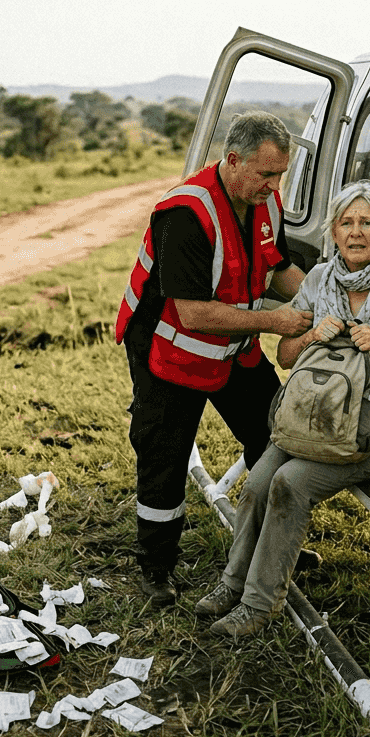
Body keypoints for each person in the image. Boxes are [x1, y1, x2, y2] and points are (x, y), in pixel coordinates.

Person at [195, 180, 370, 637]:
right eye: (346, 223)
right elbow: (286, 357)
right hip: (310, 426)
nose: (356, 232)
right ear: (332, 232)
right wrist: (312, 334)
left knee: (288, 484)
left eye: (366, 222)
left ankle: (258, 607)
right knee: (256, 484)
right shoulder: (319, 281)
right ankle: (232, 585)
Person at [115, 111, 313, 606]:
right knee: (165, 457)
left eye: (280, 174)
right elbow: (195, 313)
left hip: (234, 349)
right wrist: (276, 322)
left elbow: (278, 266)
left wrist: (321, 298)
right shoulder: (186, 213)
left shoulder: (264, 201)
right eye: (265, 174)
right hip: (169, 351)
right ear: (232, 160)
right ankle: (156, 568)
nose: (273, 185)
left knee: (274, 434)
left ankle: (271, 546)